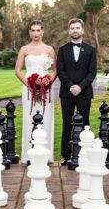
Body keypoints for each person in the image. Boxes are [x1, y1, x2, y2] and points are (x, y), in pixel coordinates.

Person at [56, 18, 97, 166]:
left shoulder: (90, 50)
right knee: (67, 122)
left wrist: (80, 86)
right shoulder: (62, 49)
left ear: (82, 30)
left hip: (84, 92)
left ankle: (84, 153)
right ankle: (66, 155)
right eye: (72, 28)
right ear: (69, 31)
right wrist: (70, 86)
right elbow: (60, 71)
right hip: (67, 93)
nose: (75, 30)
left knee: (85, 123)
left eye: (77, 28)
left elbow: (92, 72)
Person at [15, 20, 57, 164]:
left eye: (38, 30)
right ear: (29, 32)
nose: (36, 33)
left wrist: (48, 81)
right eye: (33, 30)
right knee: (29, 117)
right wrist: (30, 85)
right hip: (29, 89)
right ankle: (29, 154)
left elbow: (55, 70)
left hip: (46, 89)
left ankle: (45, 155)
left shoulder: (49, 49)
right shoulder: (24, 49)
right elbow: (18, 71)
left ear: (43, 31)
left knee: (46, 118)